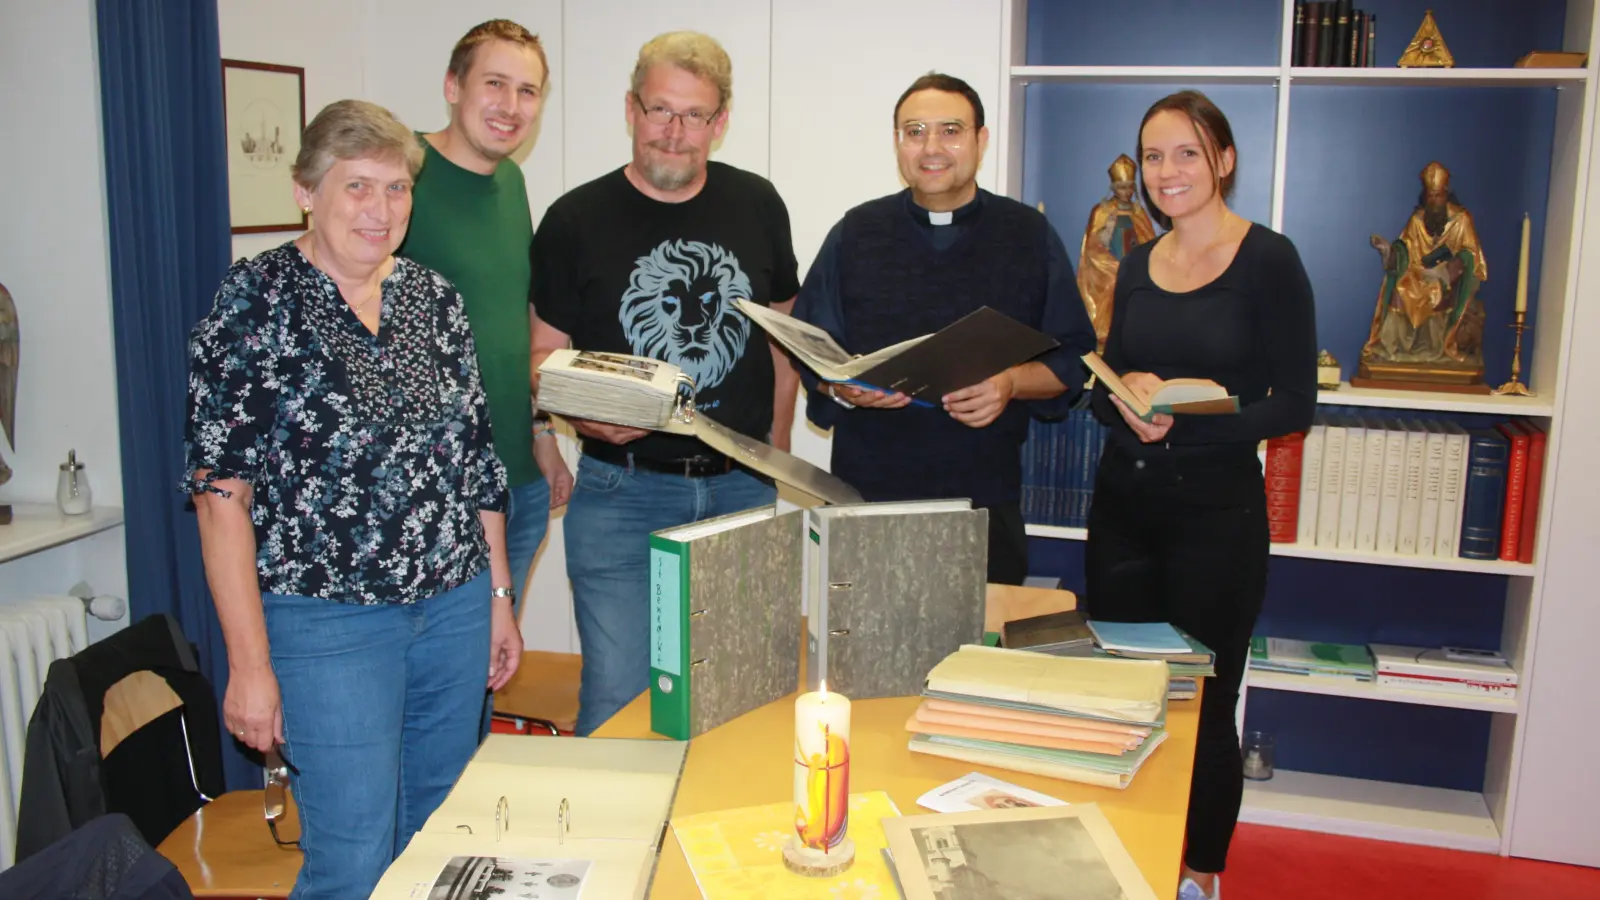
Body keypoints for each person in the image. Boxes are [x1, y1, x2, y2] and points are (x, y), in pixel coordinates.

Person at [181, 99, 522, 900]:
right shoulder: (256, 301)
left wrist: (499, 598)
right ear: (306, 192)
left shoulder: (434, 299)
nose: (381, 209)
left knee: (442, 841)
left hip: (454, 606)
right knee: (353, 859)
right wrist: (249, 667)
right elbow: (220, 495)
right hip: (327, 622)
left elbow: (475, 461)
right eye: (357, 186)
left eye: (397, 188)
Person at [529, 31, 801, 735]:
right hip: (623, 496)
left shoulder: (758, 204)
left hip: (740, 488)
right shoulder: (573, 220)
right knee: (618, 701)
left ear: (720, 121)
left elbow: (784, 340)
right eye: (660, 110)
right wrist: (585, 419)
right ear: (631, 108)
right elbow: (542, 355)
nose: (675, 132)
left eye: (694, 115)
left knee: (740, 697)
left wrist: (773, 453)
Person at [1083, 90, 1316, 900]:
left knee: (1208, 710)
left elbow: (1294, 405)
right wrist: (1125, 398)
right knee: (1125, 699)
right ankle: (1127, 857)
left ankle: (1198, 875)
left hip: (1216, 520)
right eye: (1153, 156)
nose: (1166, 171)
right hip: (1122, 510)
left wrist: (1185, 421)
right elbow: (1101, 386)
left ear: (1223, 160)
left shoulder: (1270, 260)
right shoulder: (1137, 263)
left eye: (1186, 152)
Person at [791, 72, 1096, 585]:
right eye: (915, 132)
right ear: (898, 143)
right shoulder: (856, 232)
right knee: (862, 635)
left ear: (981, 139)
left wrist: (1010, 384)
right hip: (866, 498)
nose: (931, 147)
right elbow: (809, 351)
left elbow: (1075, 357)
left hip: (984, 498)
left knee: (982, 637)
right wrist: (841, 388)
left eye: (950, 130)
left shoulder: (1027, 234)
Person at [398, 18, 573, 739]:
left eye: (527, 91)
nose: (510, 105)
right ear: (452, 86)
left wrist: (542, 433)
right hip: (437, 487)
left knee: (486, 667)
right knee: (433, 696)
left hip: (515, 479)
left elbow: (513, 324)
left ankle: (465, 802)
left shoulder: (512, 182)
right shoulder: (403, 173)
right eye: (494, 83)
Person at [1359, 160, 1486, 373]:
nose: (1434, 201)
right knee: (1400, 291)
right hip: (1418, 274)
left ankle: (1434, 348)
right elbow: (1405, 249)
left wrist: (1453, 267)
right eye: (1430, 196)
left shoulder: (1461, 220)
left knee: (1433, 292)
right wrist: (1391, 251)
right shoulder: (1418, 219)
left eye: (1438, 196)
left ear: (1446, 194)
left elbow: (1472, 255)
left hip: (1446, 277)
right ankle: (1393, 350)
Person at [1078, 153, 1158, 352]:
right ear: (1113, 187)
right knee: (1112, 285)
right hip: (1107, 267)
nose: (1127, 192)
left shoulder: (1138, 213)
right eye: (1122, 187)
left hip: (1133, 264)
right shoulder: (1102, 211)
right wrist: (1107, 232)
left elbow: (1149, 245)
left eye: (1130, 187)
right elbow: (1093, 248)